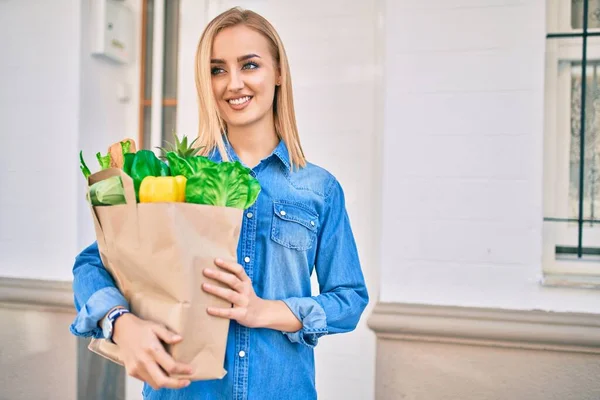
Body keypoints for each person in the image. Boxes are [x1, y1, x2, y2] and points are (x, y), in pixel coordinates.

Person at [70, 7, 368, 400]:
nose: (234, 83)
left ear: (278, 73)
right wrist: (120, 322)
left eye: (250, 65)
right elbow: (93, 264)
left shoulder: (319, 189)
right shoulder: (172, 177)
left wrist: (265, 311)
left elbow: (349, 299)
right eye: (217, 70)